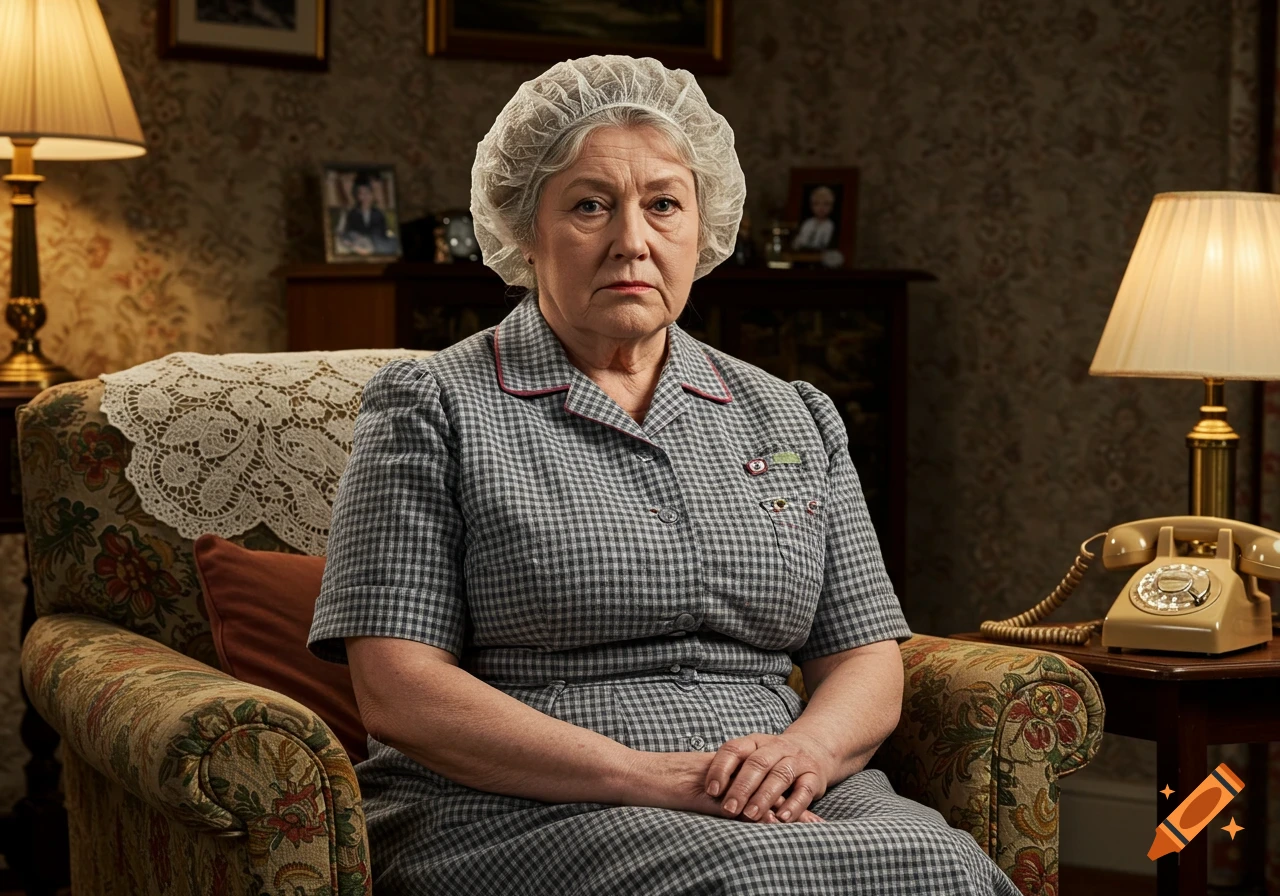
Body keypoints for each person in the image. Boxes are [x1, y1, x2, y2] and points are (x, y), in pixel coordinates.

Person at [308, 54, 1019, 895]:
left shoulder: (792, 413)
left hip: (775, 782)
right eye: (589, 206)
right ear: (524, 229)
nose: (631, 242)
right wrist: (652, 777)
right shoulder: (432, 405)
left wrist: (808, 751)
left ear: (701, 227)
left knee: (947, 870)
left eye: (663, 205)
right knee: (744, 885)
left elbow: (862, 654)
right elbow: (399, 691)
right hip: (521, 798)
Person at [335, 174, 392, 255]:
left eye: (367, 193)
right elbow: (346, 233)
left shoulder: (378, 214)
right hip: (356, 249)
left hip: (376, 249)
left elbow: (383, 234)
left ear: (372, 195)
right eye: (361, 193)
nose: (365, 196)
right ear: (357, 196)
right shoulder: (352, 214)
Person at [792, 185, 837, 251]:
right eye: (816, 204)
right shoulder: (808, 223)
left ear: (832, 207)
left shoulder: (830, 225)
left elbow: (825, 244)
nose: (821, 208)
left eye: (826, 204)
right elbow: (799, 241)